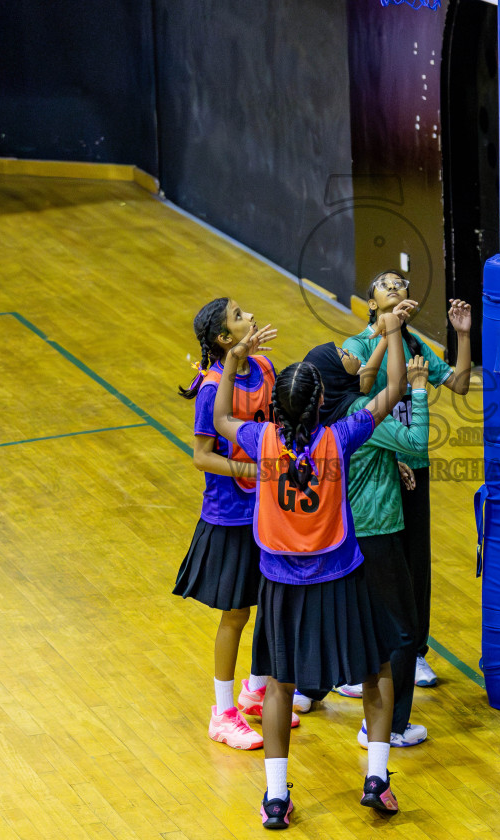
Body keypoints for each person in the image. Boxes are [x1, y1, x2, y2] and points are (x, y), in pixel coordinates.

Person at [214, 310, 412, 828]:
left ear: (276, 407)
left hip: (281, 584)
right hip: (341, 579)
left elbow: (218, 422)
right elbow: (392, 387)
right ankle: (377, 779)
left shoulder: (261, 441)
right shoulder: (340, 438)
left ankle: (276, 798)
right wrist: (390, 331)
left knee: (279, 685)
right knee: (377, 671)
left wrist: (234, 361)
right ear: (322, 403)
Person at [172, 298, 303, 752]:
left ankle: (256, 688)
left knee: (271, 601)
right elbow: (202, 455)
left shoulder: (265, 369)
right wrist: (253, 471)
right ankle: (222, 713)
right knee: (236, 613)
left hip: (269, 508)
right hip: (230, 514)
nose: (249, 315)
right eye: (239, 315)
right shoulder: (212, 388)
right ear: (225, 340)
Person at [344, 271, 472, 688]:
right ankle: (365, 653)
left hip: (414, 463)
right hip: (375, 466)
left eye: (401, 282)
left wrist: (464, 336)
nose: (396, 286)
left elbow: (459, 383)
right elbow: (362, 385)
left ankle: (414, 652)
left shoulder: (417, 345)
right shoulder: (357, 345)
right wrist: (388, 333)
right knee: (378, 561)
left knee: (416, 561)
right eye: (385, 283)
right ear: (371, 302)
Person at [306, 341, 433, 747]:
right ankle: (390, 727)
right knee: (401, 632)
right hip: (376, 531)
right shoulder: (362, 414)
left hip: (343, 532)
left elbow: (360, 454)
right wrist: (418, 389)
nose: (353, 356)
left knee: (347, 619)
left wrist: (386, 461)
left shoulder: (324, 415)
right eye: (342, 355)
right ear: (336, 374)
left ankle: (307, 690)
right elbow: (415, 442)